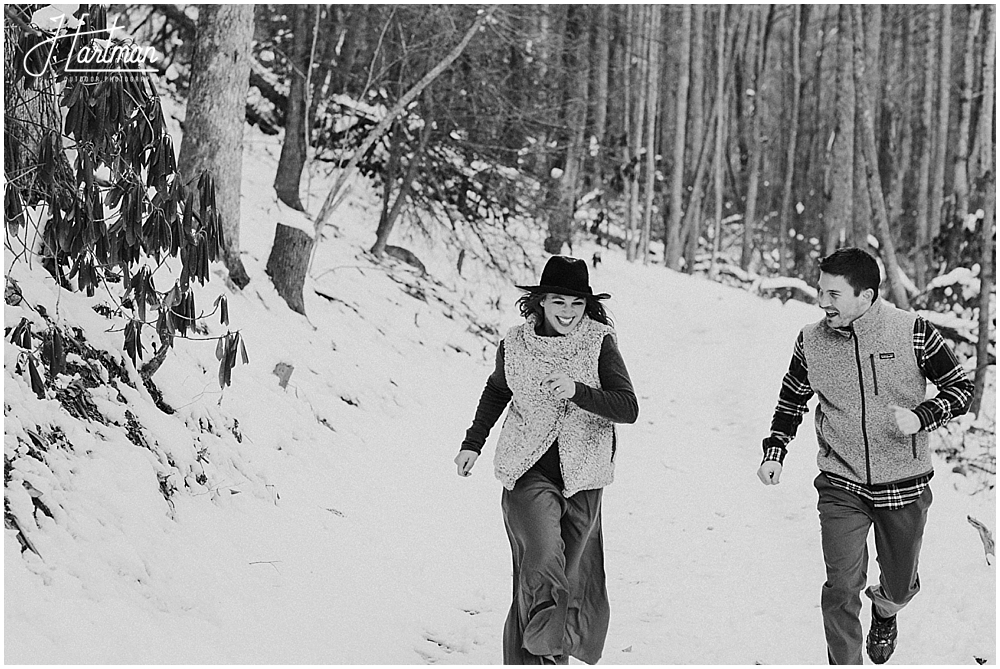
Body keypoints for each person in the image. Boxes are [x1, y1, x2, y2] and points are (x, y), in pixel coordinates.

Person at [756, 247, 974, 665]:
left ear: (866, 296)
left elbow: (960, 390)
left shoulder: (913, 332)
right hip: (841, 483)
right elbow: (790, 402)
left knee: (900, 586)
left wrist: (922, 416)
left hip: (904, 483)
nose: (822, 303)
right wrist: (775, 451)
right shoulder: (810, 341)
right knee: (840, 585)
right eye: (821, 291)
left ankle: (886, 610)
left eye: (833, 295)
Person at [455, 255, 639, 665]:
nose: (568, 312)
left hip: (584, 475)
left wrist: (578, 391)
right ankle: (543, 659)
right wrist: (473, 442)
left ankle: (537, 660)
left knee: (568, 581)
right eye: (559, 302)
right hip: (526, 470)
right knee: (541, 564)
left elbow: (627, 408)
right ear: (540, 301)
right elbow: (497, 391)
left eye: (577, 303)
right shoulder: (515, 343)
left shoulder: (600, 341)